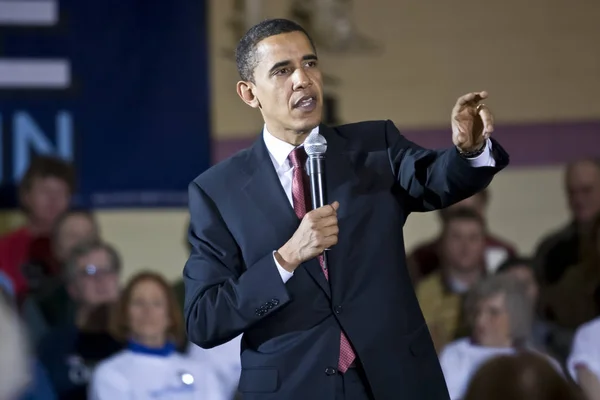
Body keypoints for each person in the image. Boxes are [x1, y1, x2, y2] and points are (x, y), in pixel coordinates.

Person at [183, 18, 509, 400]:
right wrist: (286, 259)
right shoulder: (218, 191)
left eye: (310, 63)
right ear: (249, 93)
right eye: (282, 70)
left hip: (395, 382)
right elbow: (205, 320)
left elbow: (437, 178)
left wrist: (468, 153)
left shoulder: (374, 147)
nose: (303, 79)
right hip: (294, 388)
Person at [90, 272, 227, 399]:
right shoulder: (110, 374)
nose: (147, 311)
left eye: (156, 303)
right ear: (125, 314)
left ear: (170, 315)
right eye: (138, 303)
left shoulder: (202, 372)